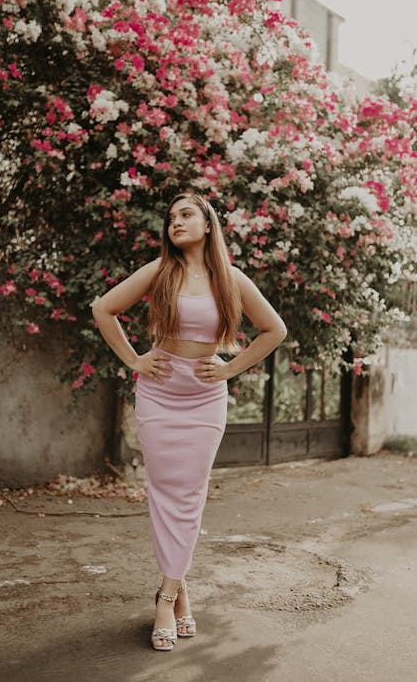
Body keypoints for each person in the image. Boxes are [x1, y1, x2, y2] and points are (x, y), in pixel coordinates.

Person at [92, 192, 287, 651]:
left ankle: (167, 592)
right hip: (160, 392)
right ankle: (176, 591)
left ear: (207, 224)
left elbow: (273, 329)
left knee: (190, 495)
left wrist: (229, 368)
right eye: (171, 217)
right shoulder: (159, 272)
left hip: (203, 398)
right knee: (164, 492)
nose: (175, 222)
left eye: (186, 214)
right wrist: (135, 361)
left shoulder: (231, 279)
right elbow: (103, 309)